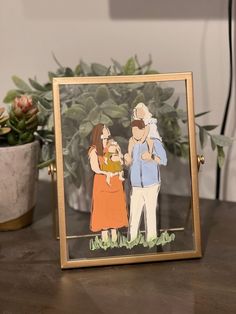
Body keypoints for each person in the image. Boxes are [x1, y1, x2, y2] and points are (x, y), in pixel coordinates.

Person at [125, 120, 167, 242]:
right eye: (133, 130)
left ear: (144, 129)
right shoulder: (131, 143)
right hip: (136, 186)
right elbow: (130, 163)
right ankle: (132, 240)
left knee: (150, 212)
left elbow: (164, 160)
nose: (135, 132)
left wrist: (152, 157)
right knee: (134, 214)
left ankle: (151, 239)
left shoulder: (153, 142)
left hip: (151, 185)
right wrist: (126, 160)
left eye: (138, 130)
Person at [88, 124, 128, 242]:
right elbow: (95, 168)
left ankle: (115, 237)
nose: (107, 132)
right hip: (102, 181)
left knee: (115, 206)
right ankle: (105, 239)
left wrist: (119, 155)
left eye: (107, 130)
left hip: (115, 181)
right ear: (98, 134)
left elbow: (119, 161)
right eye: (104, 131)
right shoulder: (94, 150)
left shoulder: (112, 146)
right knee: (103, 208)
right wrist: (106, 173)